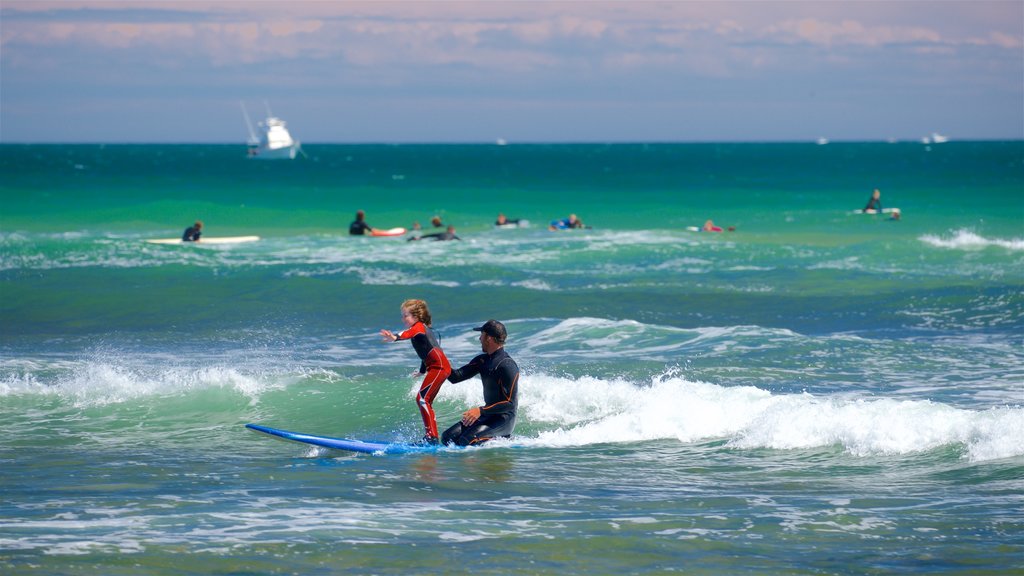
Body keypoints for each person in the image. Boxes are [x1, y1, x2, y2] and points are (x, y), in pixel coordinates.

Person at [380, 299, 452, 445]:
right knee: (425, 400)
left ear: (416, 316)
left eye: (405, 315)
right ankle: (431, 436)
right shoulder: (421, 329)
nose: (403, 318)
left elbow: (408, 332)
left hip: (439, 367)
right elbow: (426, 353)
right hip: (437, 367)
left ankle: (431, 437)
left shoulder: (418, 327)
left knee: (422, 399)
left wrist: (395, 337)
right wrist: (421, 371)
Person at [441, 319, 519, 447]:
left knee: (467, 440)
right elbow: (455, 377)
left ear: (489, 338)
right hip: (488, 415)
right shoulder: (482, 360)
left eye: (481, 335)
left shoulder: (507, 365)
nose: (479, 339)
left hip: (504, 419)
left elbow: (509, 404)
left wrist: (480, 411)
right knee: (447, 438)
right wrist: (436, 358)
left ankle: (504, 439)